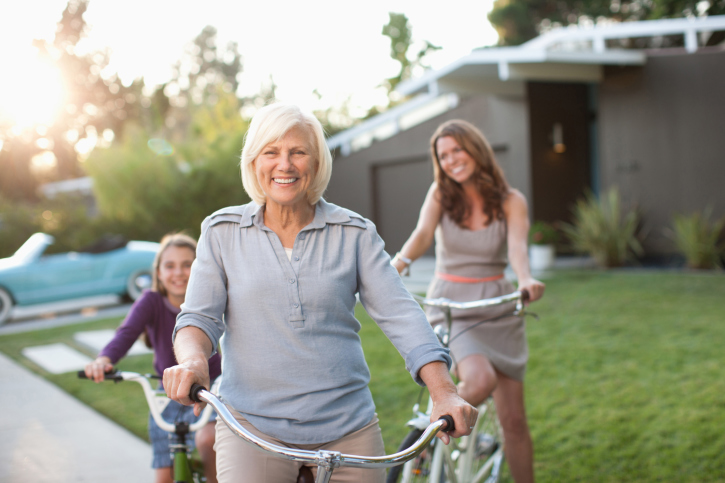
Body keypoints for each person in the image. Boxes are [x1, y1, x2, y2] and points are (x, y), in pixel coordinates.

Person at [162, 103, 478, 483]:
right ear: (253, 162)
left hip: (348, 428)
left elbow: (401, 314)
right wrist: (194, 362)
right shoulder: (221, 231)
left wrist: (444, 391)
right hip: (251, 426)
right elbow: (198, 318)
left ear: (316, 162)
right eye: (271, 152)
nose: (285, 164)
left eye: (298, 152)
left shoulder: (354, 233)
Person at [391, 120, 545, 483]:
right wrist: (395, 265)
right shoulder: (440, 194)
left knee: (515, 421)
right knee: (478, 378)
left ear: (475, 148)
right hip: (453, 306)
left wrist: (525, 280)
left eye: (457, 150)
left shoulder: (511, 200)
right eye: (443, 156)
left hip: (499, 306)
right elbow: (422, 234)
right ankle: (433, 428)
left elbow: (517, 249)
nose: (451, 160)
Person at [84, 233, 221, 483]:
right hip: (167, 393)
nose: (178, 273)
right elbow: (126, 333)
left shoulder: (209, 302)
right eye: (170, 266)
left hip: (211, 388)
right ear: (158, 272)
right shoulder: (151, 301)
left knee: (208, 440)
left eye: (187, 264)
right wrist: (104, 360)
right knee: (163, 475)